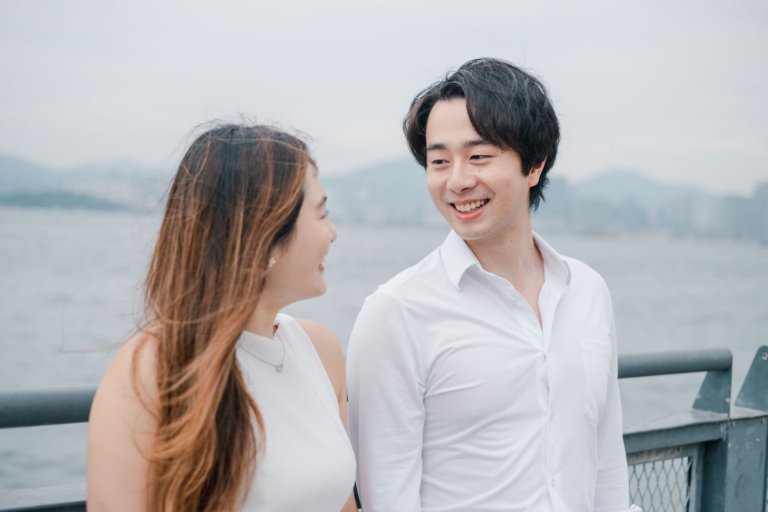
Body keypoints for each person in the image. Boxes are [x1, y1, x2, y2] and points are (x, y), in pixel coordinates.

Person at [346, 58, 630, 511]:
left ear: (534, 165)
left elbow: (606, 465)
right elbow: (386, 497)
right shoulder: (396, 312)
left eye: (479, 157)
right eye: (439, 161)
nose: (457, 181)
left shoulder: (588, 291)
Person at [87, 124, 357, 511]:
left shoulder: (320, 350)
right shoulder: (151, 367)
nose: (332, 233)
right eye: (321, 214)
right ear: (265, 232)